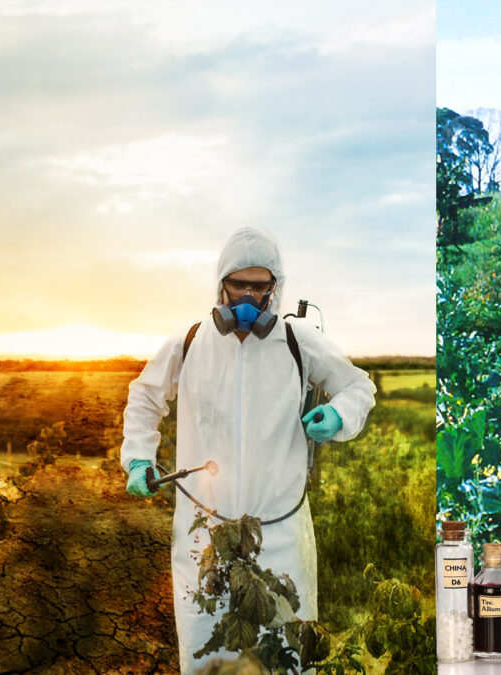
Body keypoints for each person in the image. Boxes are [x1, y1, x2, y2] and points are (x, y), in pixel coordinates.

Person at [119, 227, 375, 672]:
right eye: (239, 283)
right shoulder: (190, 341)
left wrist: (337, 415)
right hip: (206, 537)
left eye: (259, 286)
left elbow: (358, 386)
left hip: (280, 536)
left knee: (284, 654)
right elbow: (145, 396)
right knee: (208, 655)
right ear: (221, 283)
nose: (248, 295)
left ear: (274, 289)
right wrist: (139, 456)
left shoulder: (297, 341)